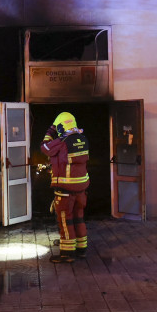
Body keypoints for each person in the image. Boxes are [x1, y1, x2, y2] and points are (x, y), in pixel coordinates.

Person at [40, 111, 90, 263]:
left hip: (66, 190)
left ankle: (67, 254)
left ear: (61, 127)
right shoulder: (83, 139)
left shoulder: (62, 142)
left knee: (65, 220)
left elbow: (44, 147)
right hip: (81, 189)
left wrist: (50, 131)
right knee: (78, 218)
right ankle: (81, 249)